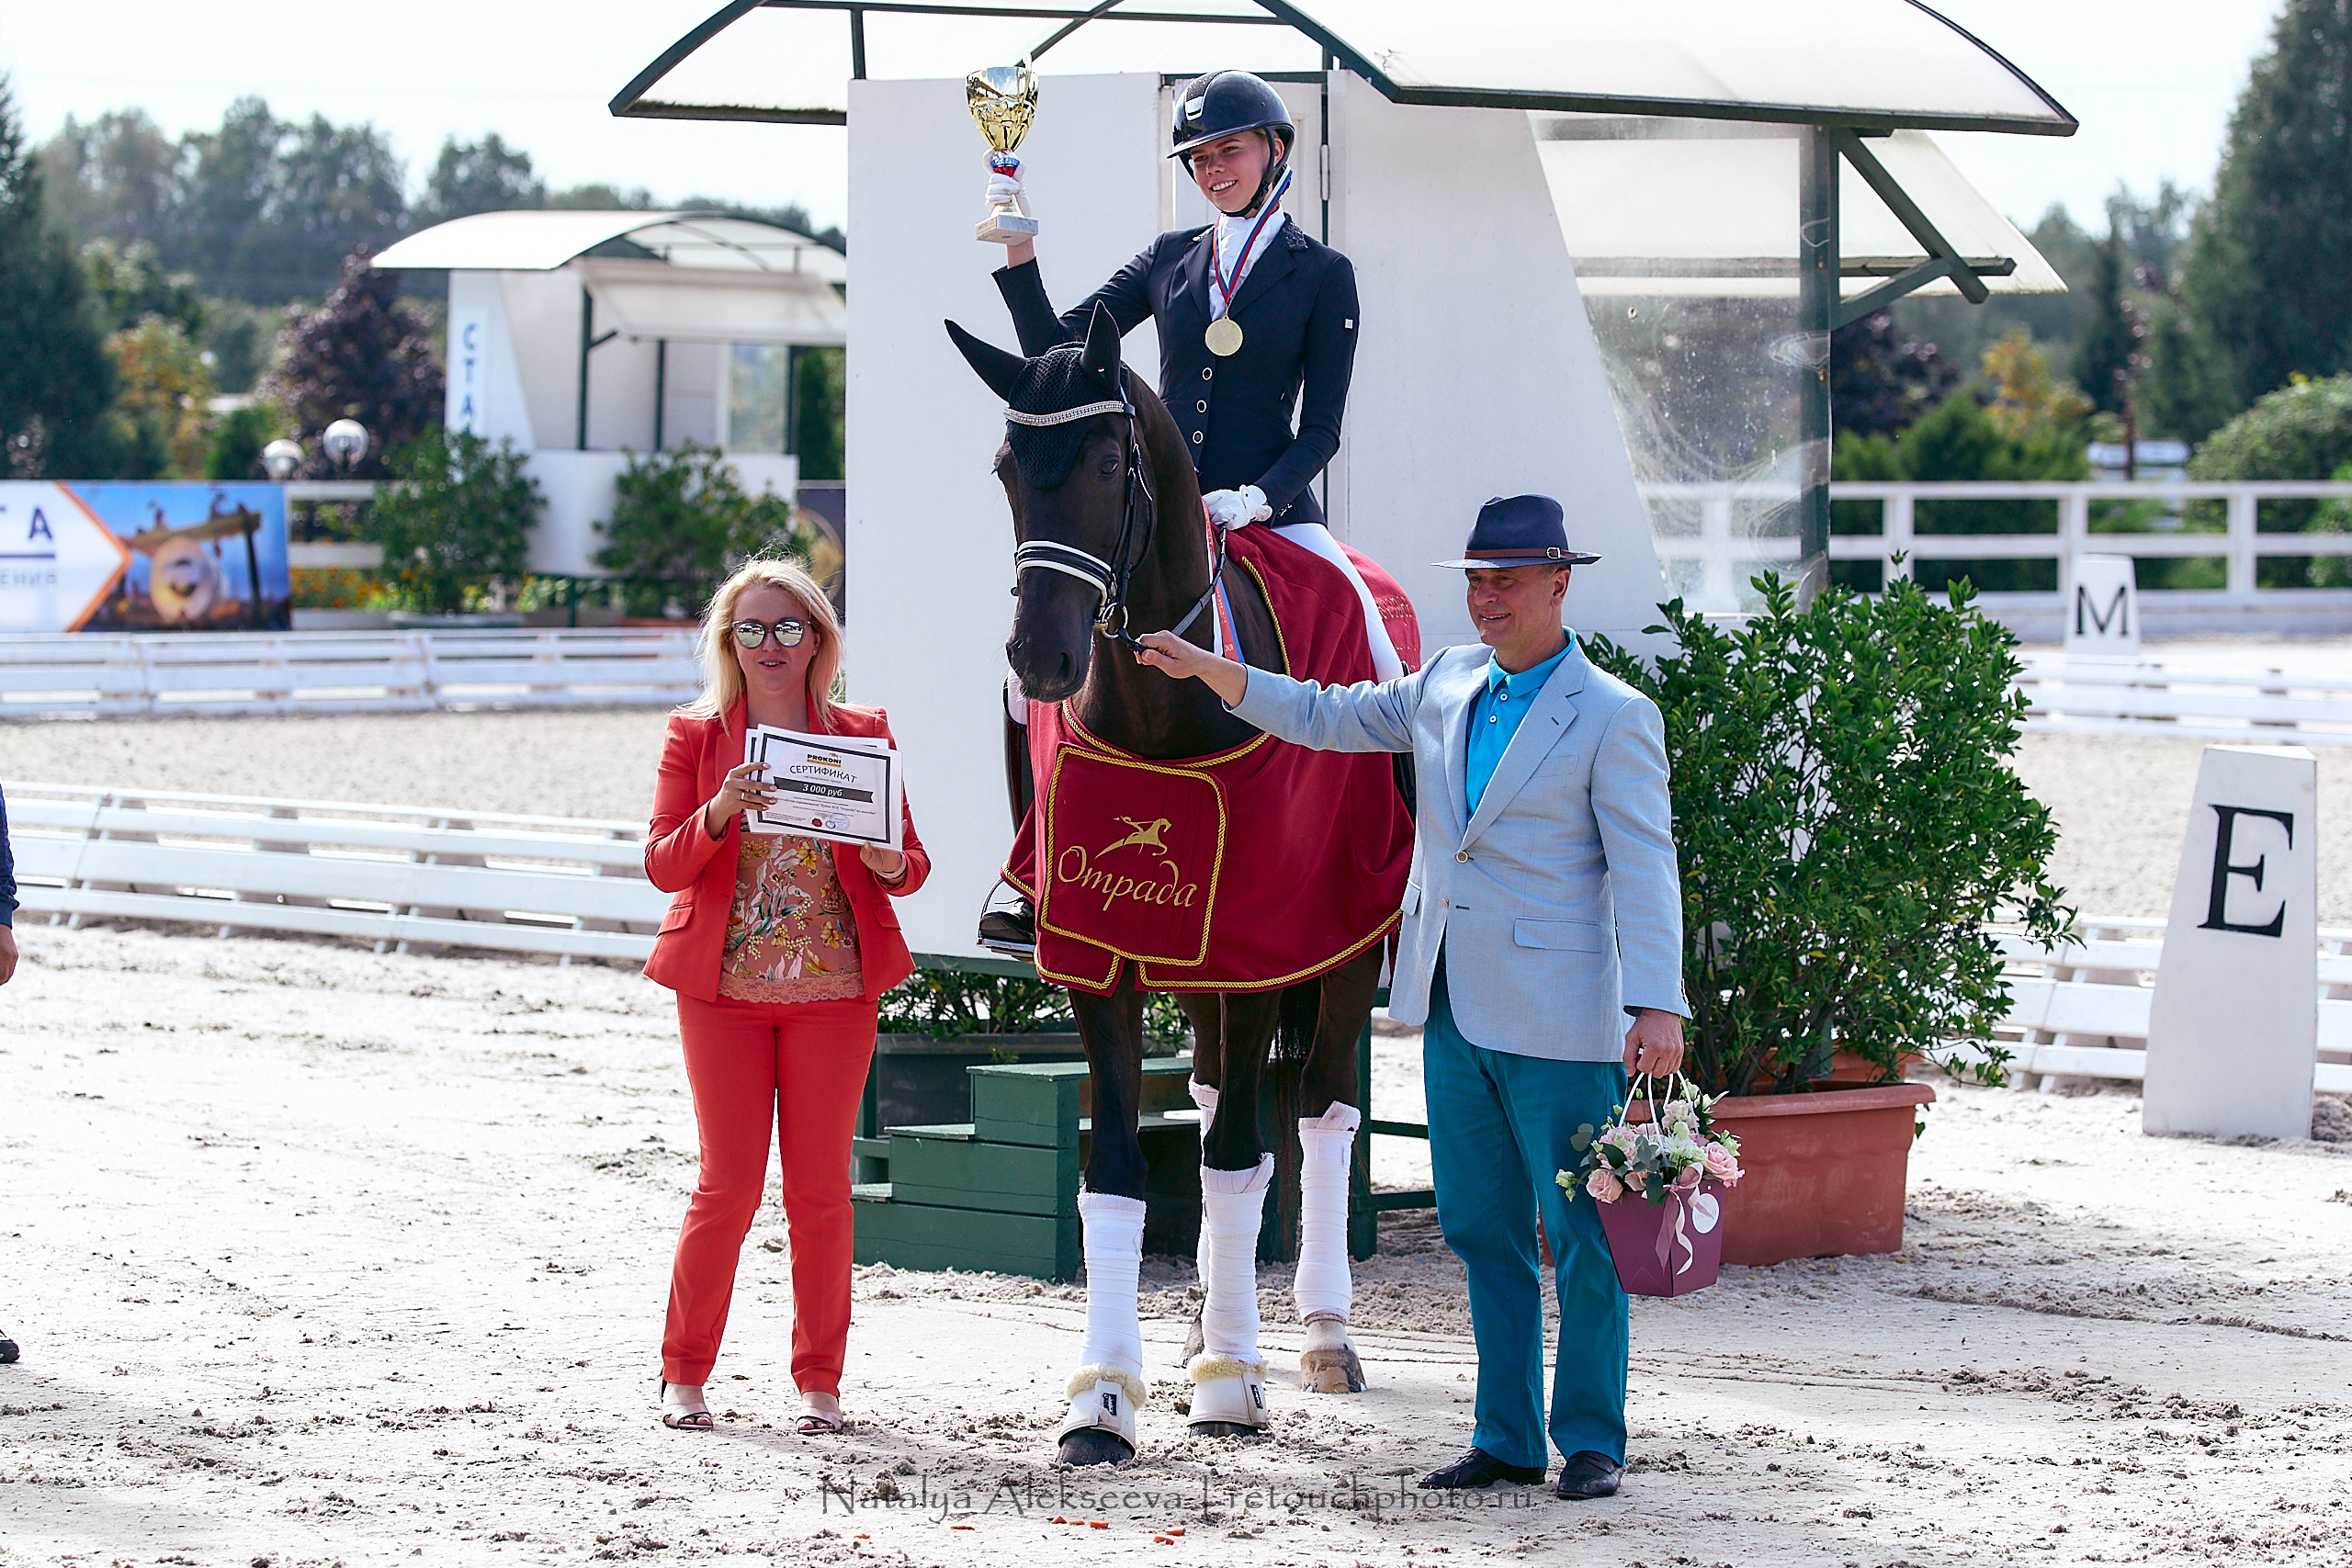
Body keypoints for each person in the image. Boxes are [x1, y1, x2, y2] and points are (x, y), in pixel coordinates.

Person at [1136, 494, 1690, 1501]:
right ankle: (1507, 1437)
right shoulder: (1443, 681)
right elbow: (1324, 713)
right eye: (1475, 580)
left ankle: (1591, 1438)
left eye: (1506, 580)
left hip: (1564, 1018)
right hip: (1450, 1006)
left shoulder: (1616, 713)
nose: (1486, 598)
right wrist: (1215, 673)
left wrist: (1659, 1004)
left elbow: (1646, 867)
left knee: (1580, 1238)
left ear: (1559, 583)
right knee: (1479, 1232)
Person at [977, 68, 1400, 953]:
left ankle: (1405, 863)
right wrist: (1019, 253)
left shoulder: (1323, 274)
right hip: (1160, 514)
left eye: (1228, 152)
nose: (1214, 170)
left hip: (1271, 509)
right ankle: (1033, 875)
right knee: (1023, 682)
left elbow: (1323, 428)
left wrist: (1260, 496)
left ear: (1274, 149)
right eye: (1200, 158)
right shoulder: (1169, 258)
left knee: (1373, 638)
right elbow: (1058, 353)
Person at [641, 559, 930, 1436]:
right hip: (722, 994)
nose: (770, 644)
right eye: (752, 629)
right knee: (726, 1187)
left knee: (820, 1193)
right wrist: (718, 810)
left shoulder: (863, 732)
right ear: (730, 643)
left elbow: (911, 863)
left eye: (788, 627)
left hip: (835, 994)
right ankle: (684, 1373)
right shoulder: (696, 735)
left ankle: (819, 1384)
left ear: (817, 640)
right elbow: (662, 864)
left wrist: (889, 860)